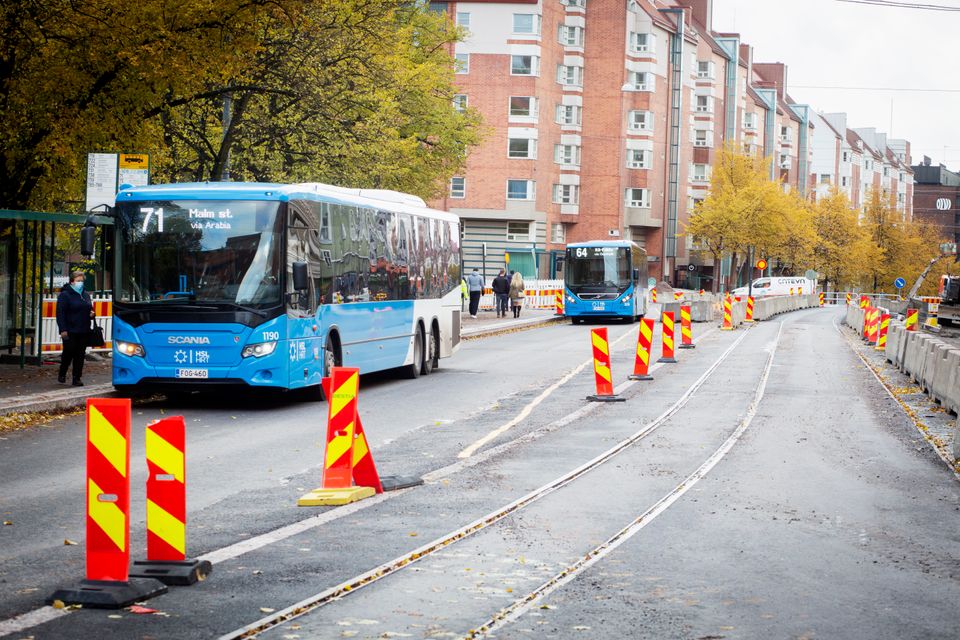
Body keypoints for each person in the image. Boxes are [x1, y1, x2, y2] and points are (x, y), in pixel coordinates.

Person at [56, 270, 95, 386]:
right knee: (69, 352)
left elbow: (90, 308)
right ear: (72, 281)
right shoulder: (65, 295)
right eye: (78, 281)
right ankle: (62, 373)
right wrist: (63, 329)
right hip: (70, 330)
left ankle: (76, 377)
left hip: (83, 329)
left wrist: (92, 314)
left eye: (82, 281)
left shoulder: (85, 295)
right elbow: (60, 313)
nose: (80, 283)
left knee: (80, 354)